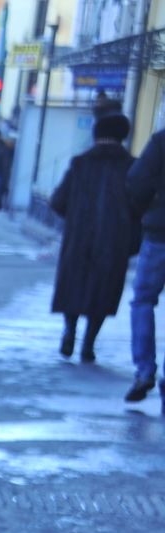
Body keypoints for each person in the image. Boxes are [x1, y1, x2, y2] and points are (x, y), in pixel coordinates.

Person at [51, 114, 138, 372]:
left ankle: (70, 330)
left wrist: (77, 216)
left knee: (73, 286)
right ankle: (89, 342)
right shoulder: (131, 167)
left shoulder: (81, 164)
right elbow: (139, 206)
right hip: (114, 241)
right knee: (104, 290)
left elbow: (57, 201)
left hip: (80, 238)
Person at [125, 119, 165, 400]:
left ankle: (144, 369)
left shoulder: (161, 141)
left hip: (159, 234)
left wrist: (147, 212)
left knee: (143, 301)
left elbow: (136, 181)